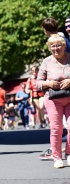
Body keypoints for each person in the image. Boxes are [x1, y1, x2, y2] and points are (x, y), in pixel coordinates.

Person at [36, 34, 70, 168]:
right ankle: (57, 157)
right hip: (53, 99)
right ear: (50, 48)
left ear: (64, 45)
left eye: (58, 45)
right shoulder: (46, 62)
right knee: (56, 129)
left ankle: (69, 153)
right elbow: (38, 83)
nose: (56, 48)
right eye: (53, 46)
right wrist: (49, 83)